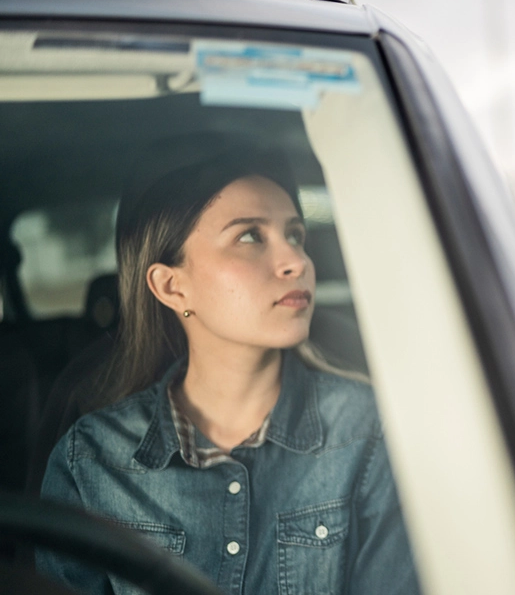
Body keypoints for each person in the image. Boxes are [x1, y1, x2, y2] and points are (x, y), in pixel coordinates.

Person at [36, 152, 420, 595]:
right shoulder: (91, 460)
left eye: (295, 235)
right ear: (171, 285)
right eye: (251, 236)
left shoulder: (370, 430)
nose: (296, 262)